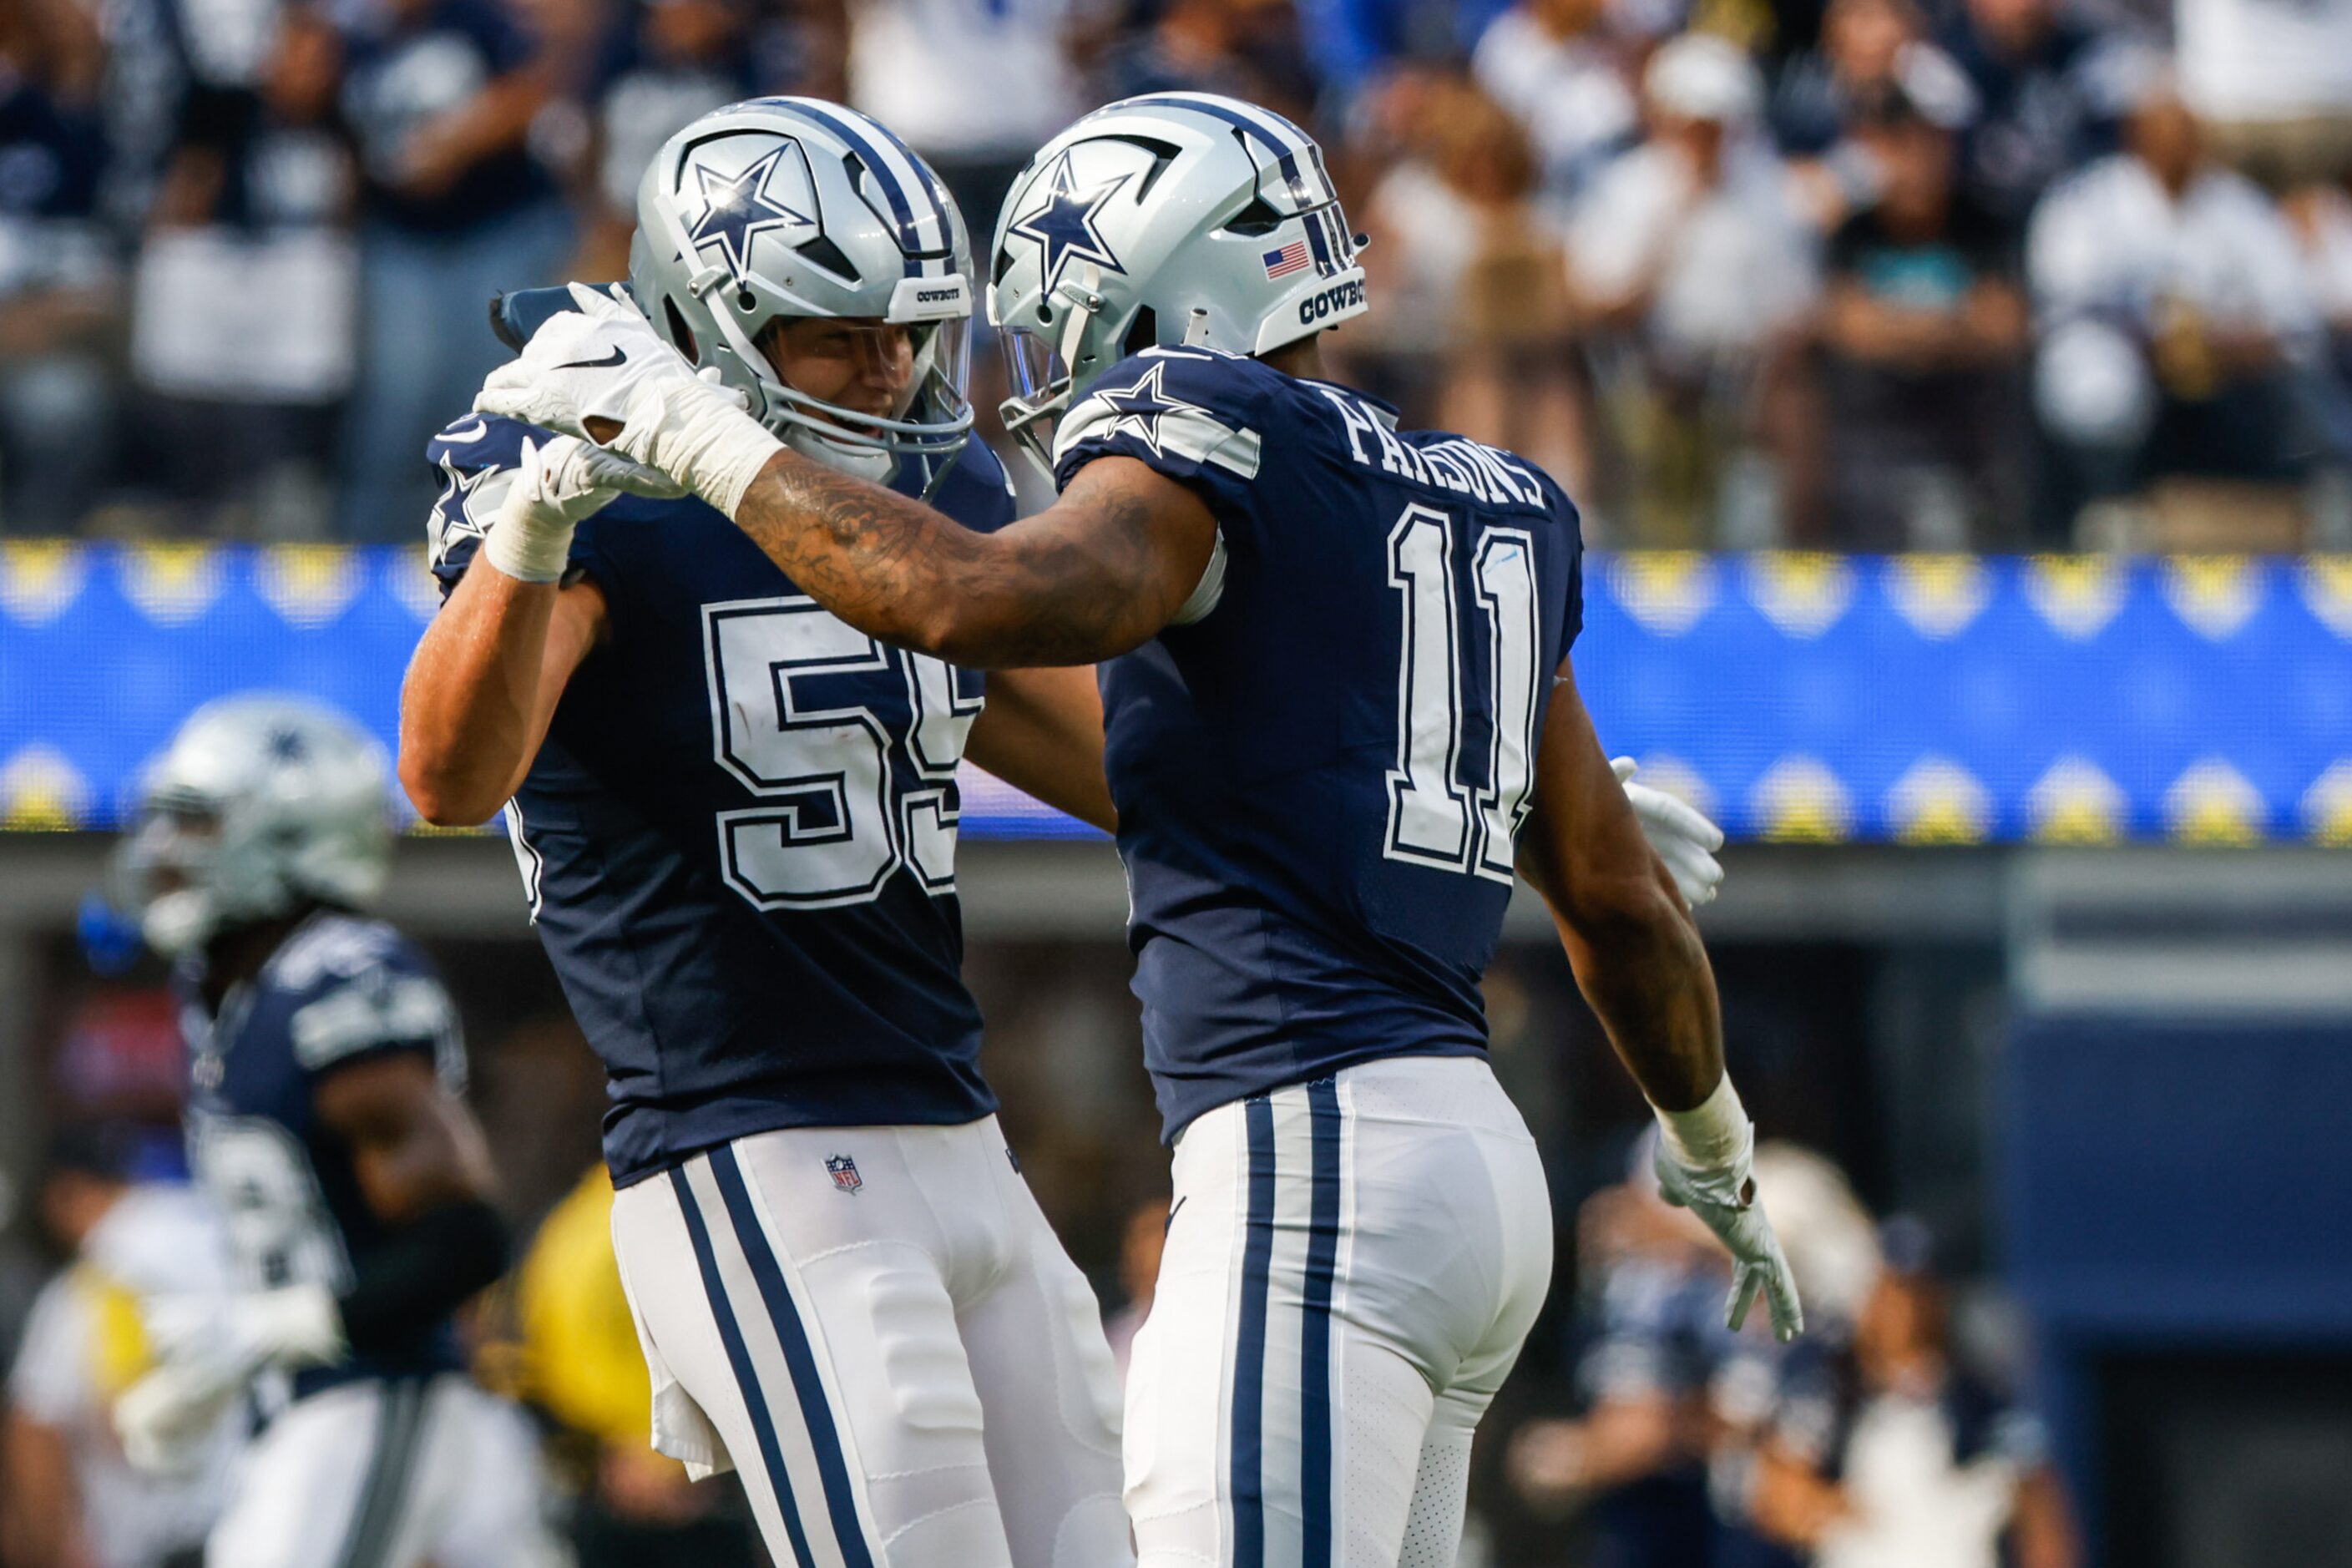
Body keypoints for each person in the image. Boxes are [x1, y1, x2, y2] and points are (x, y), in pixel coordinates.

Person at [477, 89, 1800, 1568]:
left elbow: (964, 599)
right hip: (1479, 1183)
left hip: (1313, 1164)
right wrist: (1713, 1145)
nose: (1056, 372)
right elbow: (1614, 900)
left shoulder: (1208, 428)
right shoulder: (1496, 493)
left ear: (1179, 293)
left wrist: (690, 427)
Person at [398, 98, 1135, 1568]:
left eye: (908, 331)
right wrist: (533, 527)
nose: (890, 371)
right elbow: (447, 776)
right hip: (756, 1145)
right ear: (708, 319)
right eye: (837, 334)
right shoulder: (584, 466)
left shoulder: (926, 477)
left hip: (959, 1129)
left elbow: (1137, 768)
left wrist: (1449, 780)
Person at [104, 695, 560, 1568]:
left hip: (375, 1394)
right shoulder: (235, 989)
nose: (164, 850)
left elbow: (463, 1239)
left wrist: (279, 1327)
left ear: (288, 833)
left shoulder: (339, 980)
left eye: (197, 823)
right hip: (311, 1403)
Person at [4, 1129, 235, 1568]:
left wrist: (53, 1547)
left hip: (151, 1538)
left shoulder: (102, 1270)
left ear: (66, 1194)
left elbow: (36, 1424)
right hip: (254, 1515)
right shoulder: (217, 1227)